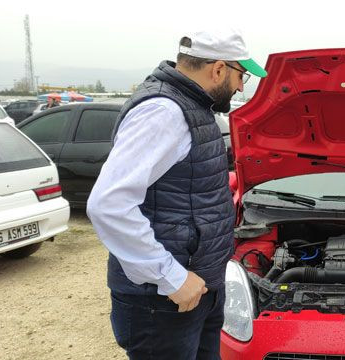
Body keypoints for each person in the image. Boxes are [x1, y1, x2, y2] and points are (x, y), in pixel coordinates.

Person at [86, 29, 267, 359]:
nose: (242, 86)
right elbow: (108, 204)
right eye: (242, 76)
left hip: (196, 290)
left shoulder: (191, 107)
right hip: (165, 300)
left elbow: (181, 181)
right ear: (218, 69)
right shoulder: (163, 112)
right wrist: (171, 277)